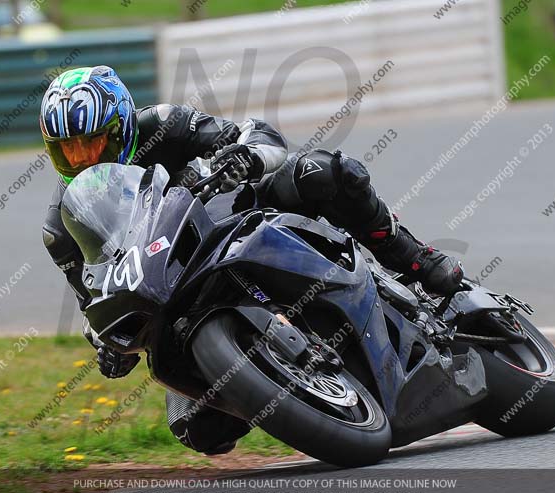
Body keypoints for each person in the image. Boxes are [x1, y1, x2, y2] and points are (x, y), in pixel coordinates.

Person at [41, 66, 464, 454]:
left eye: (93, 143)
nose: (83, 161)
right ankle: (288, 388)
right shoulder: (63, 226)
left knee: (323, 171)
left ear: (124, 125)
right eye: (68, 152)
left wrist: (245, 156)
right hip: (176, 290)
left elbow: (258, 134)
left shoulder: (164, 125)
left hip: (241, 216)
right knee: (198, 431)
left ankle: (413, 257)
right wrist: (107, 345)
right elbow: (93, 296)